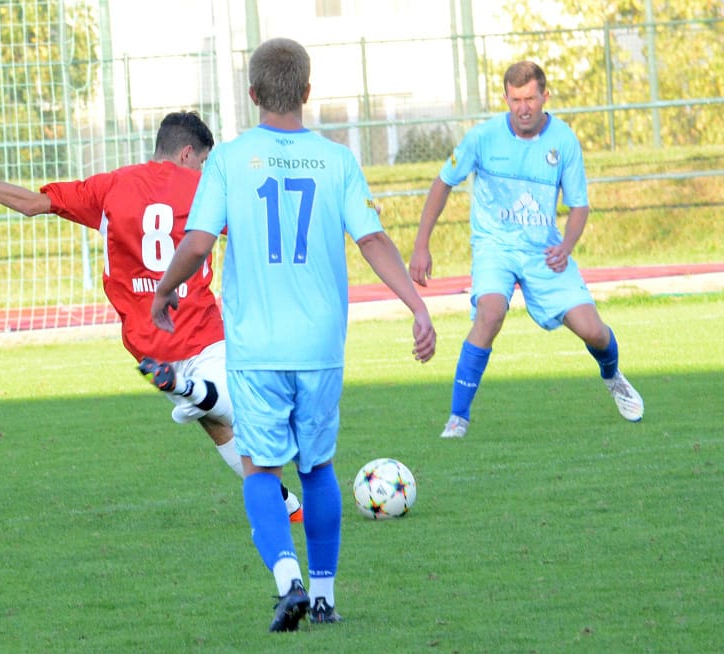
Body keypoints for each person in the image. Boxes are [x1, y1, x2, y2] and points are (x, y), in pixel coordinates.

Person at [150, 38, 436, 632]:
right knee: (318, 468)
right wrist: (417, 307)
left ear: (253, 93)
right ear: (307, 91)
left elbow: (197, 243)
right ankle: (325, 598)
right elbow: (372, 239)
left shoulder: (229, 159)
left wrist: (165, 290)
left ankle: (289, 583)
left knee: (260, 469)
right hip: (319, 345)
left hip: (256, 347)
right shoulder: (336, 160)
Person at [0, 111, 303, 520]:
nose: (202, 169)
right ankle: (196, 392)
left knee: (217, 425)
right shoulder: (203, 188)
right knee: (243, 408)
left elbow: (33, 204)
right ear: (187, 153)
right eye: (202, 161)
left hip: (148, 346)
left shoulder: (110, 186)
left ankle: (287, 506)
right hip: (201, 331)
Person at [408, 61, 644, 439]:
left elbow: (579, 206)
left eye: (530, 99)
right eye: (515, 100)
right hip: (495, 246)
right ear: (506, 98)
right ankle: (457, 418)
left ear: (544, 96)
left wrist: (566, 246)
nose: (523, 108)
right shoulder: (483, 137)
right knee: (490, 312)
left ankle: (612, 374)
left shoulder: (563, 140)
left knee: (594, 331)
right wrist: (421, 244)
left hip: (544, 251)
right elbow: (443, 182)